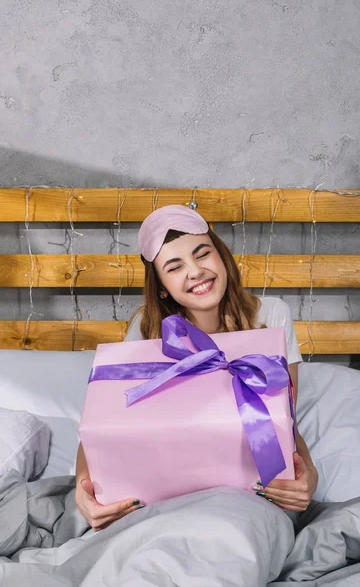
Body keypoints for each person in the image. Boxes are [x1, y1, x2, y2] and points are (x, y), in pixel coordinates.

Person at [75, 205, 318, 531]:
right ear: (161, 286)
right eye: (175, 267)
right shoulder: (147, 328)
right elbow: (105, 424)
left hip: (254, 497)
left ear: (222, 256)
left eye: (203, 254)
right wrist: (83, 489)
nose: (195, 271)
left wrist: (310, 477)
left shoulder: (271, 316)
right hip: (166, 497)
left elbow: (281, 421)